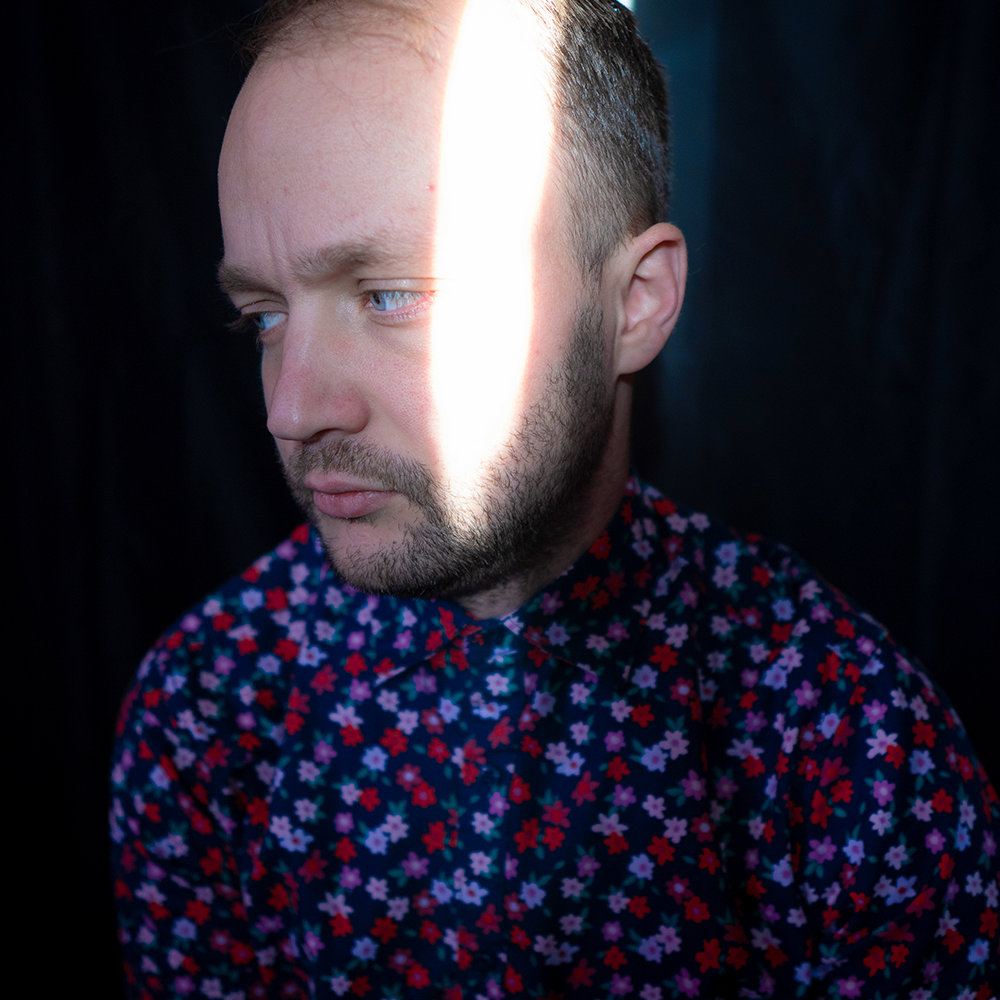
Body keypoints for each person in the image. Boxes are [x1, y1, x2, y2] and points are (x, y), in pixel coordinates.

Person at [110, 0, 998, 996]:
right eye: (265, 316)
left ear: (634, 302)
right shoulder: (211, 706)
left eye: (394, 294)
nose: (290, 409)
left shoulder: (848, 740)